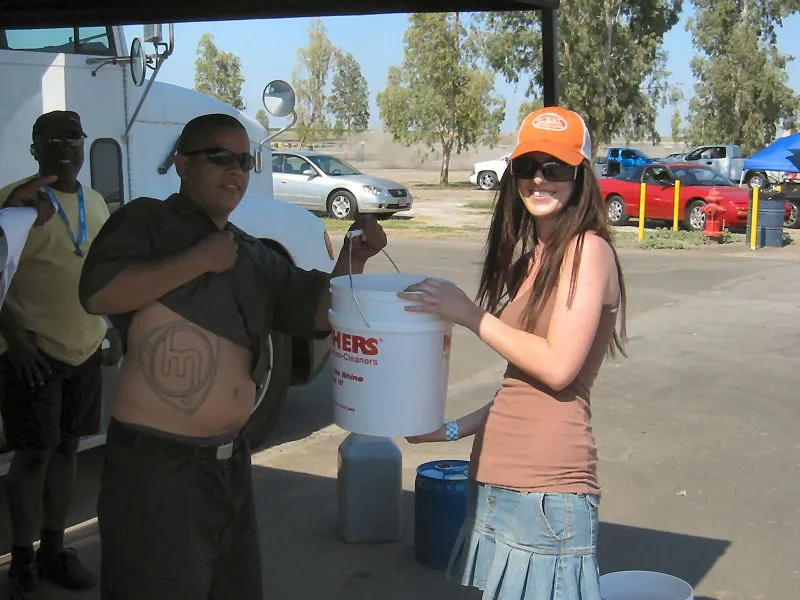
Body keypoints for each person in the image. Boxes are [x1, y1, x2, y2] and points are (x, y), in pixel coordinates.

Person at [77, 112, 388, 600]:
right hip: (156, 466)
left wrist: (354, 256)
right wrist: (199, 260)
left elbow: (319, 309)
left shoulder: (249, 252)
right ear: (182, 163)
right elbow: (99, 294)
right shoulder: (146, 221)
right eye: (220, 157)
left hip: (227, 464)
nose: (236, 171)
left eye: (245, 161)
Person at [398, 107, 628, 600]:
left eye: (556, 168)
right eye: (527, 167)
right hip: (496, 479)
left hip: (546, 488)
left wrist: (470, 314)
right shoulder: (529, 263)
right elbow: (522, 388)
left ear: (582, 176)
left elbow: (558, 368)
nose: (539, 179)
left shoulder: (588, 250)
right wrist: (450, 430)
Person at [0, 110, 111, 600]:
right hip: (32, 354)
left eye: (73, 140)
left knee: (67, 450)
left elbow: (101, 270)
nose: (66, 149)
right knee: (33, 456)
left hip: (84, 349)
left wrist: (109, 328)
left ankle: (53, 551)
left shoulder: (95, 201)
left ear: (84, 146)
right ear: (35, 149)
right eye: (53, 141)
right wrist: (15, 339)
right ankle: (21, 563)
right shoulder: (14, 201)